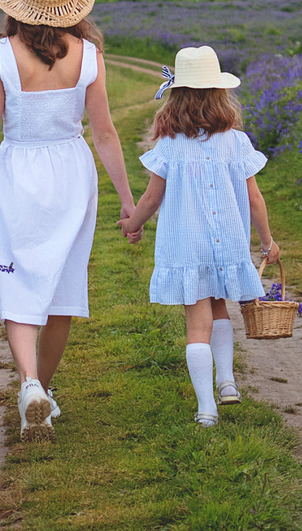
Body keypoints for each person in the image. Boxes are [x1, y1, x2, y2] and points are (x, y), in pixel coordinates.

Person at [0, 0, 136, 442]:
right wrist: (128, 201)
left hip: (17, 173)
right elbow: (105, 134)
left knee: (19, 281)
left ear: (17, 2)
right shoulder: (89, 56)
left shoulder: (0, 54)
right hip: (71, 172)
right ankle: (41, 388)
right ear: (72, 6)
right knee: (63, 288)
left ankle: (28, 386)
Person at [119, 45, 280, 427]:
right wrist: (266, 242)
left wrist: (132, 223)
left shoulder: (170, 145)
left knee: (197, 324)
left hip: (187, 246)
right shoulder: (236, 142)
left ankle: (206, 407)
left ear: (175, 97)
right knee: (220, 306)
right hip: (227, 243)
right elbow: (255, 199)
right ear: (220, 95)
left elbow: (151, 197)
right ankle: (227, 382)